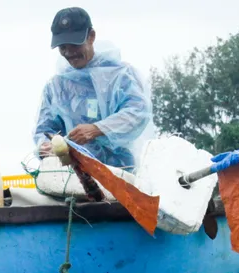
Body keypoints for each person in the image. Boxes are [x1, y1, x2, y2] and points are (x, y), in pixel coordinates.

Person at [33, 7, 153, 170]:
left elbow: (138, 112)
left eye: (74, 45)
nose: (69, 53)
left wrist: (98, 129)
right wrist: (45, 145)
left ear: (91, 36)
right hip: (73, 175)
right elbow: (45, 128)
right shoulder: (56, 87)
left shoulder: (120, 75)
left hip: (119, 172)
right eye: (63, 47)